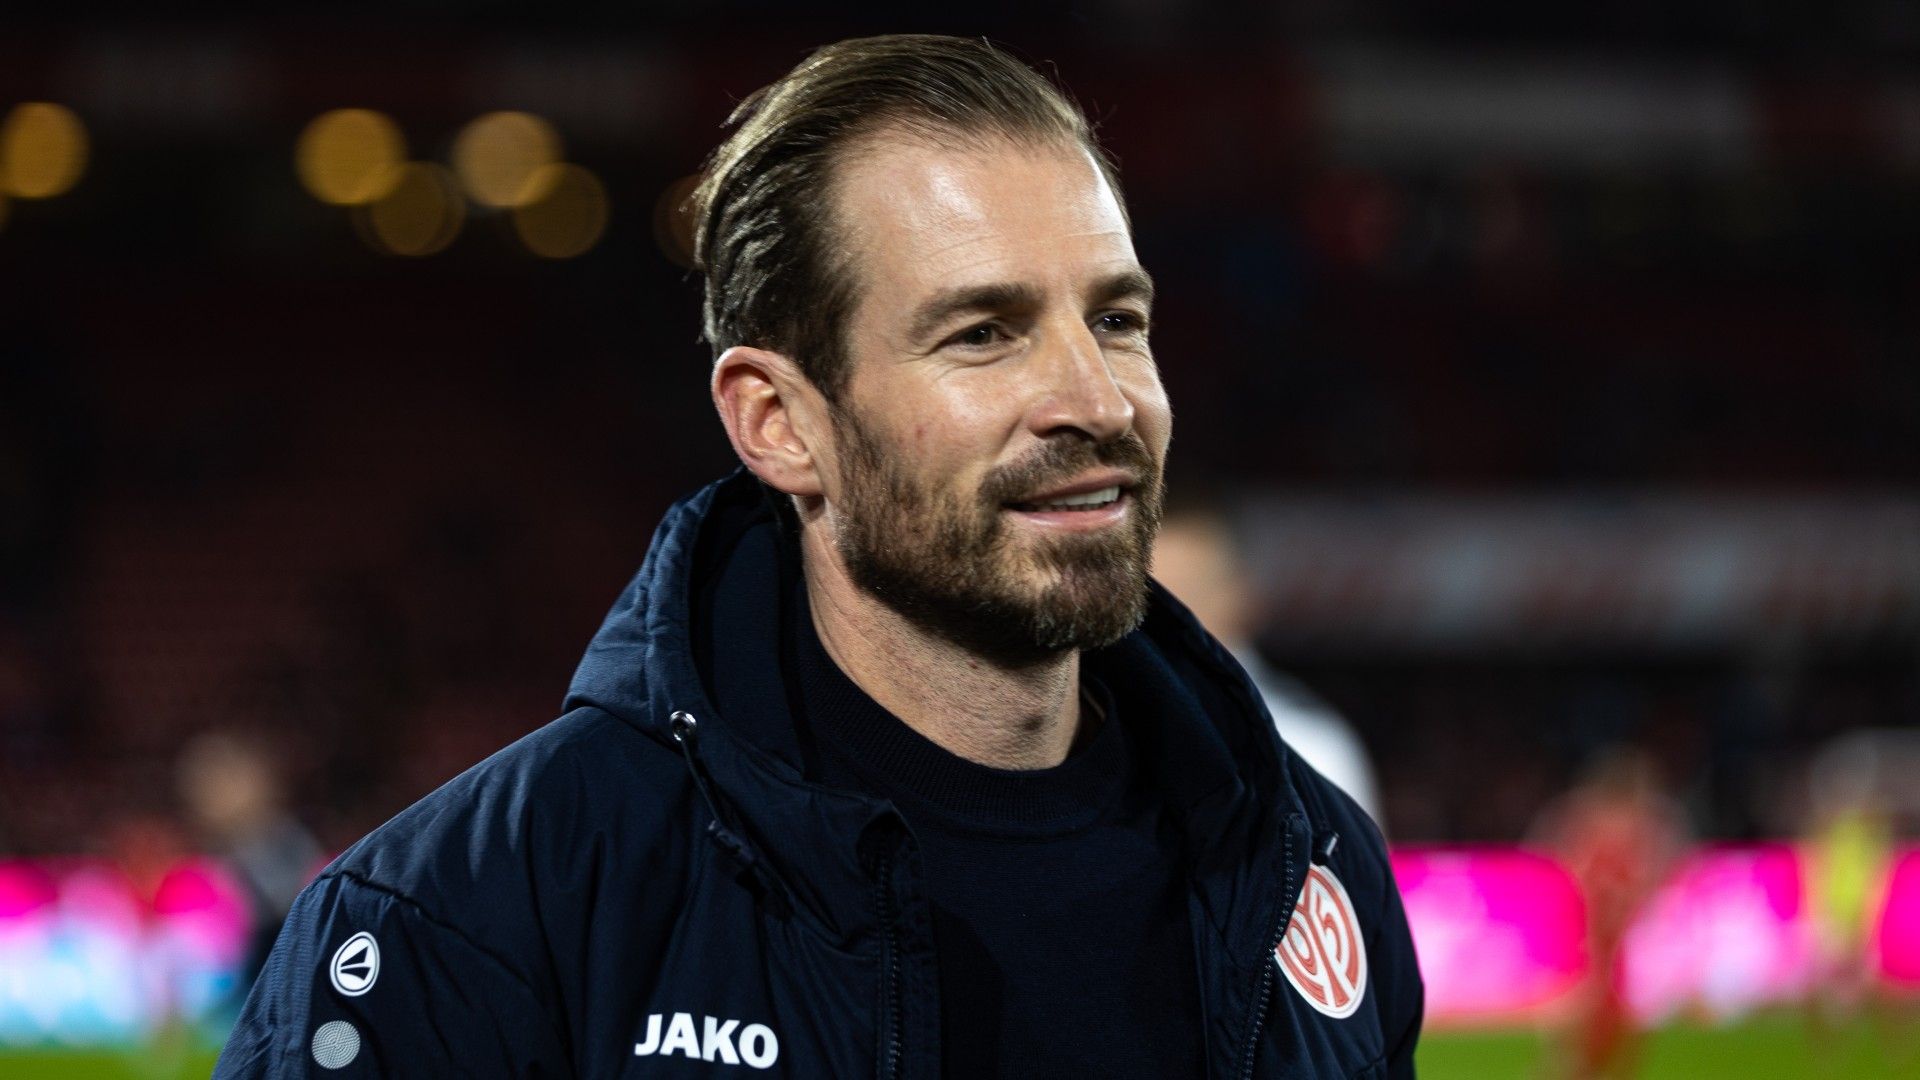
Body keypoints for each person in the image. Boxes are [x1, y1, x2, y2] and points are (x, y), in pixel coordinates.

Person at [215, 34, 1421, 1077]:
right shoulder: (467, 920)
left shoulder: (1300, 860)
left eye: (1116, 319)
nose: (1098, 401)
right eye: (984, 333)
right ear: (780, 424)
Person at [1151, 500, 1384, 824]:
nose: (1164, 621)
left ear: (1241, 596)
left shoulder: (1308, 746)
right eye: (1147, 602)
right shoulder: (1093, 724)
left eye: (1186, 597)